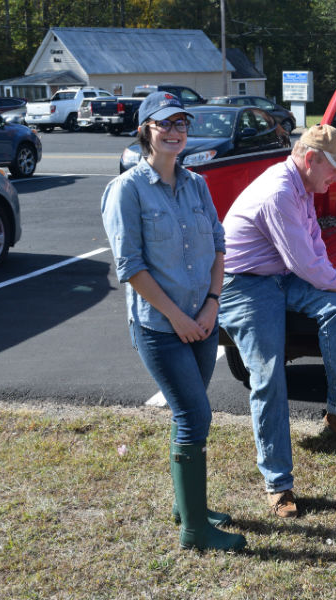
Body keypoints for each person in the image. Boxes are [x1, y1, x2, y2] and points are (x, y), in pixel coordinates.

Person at [218, 124, 336, 518]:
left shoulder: (302, 185)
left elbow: (314, 248)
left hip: (281, 274)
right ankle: (278, 485)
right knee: (268, 375)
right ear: (311, 159)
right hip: (245, 283)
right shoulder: (280, 193)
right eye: (333, 168)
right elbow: (309, 267)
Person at [101, 92, 245, 551]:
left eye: (182, 123)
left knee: (190, 414)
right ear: (146, 130)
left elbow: (219, 247)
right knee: (193, 414)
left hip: (201, 319)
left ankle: (189, 506)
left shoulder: (197, 184)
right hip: (161, 326)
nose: (175, 131)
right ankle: (195, 531)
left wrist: (210, 305)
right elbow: (131, 268)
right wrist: (179, 316)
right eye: (164, 124)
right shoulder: (127, 189)